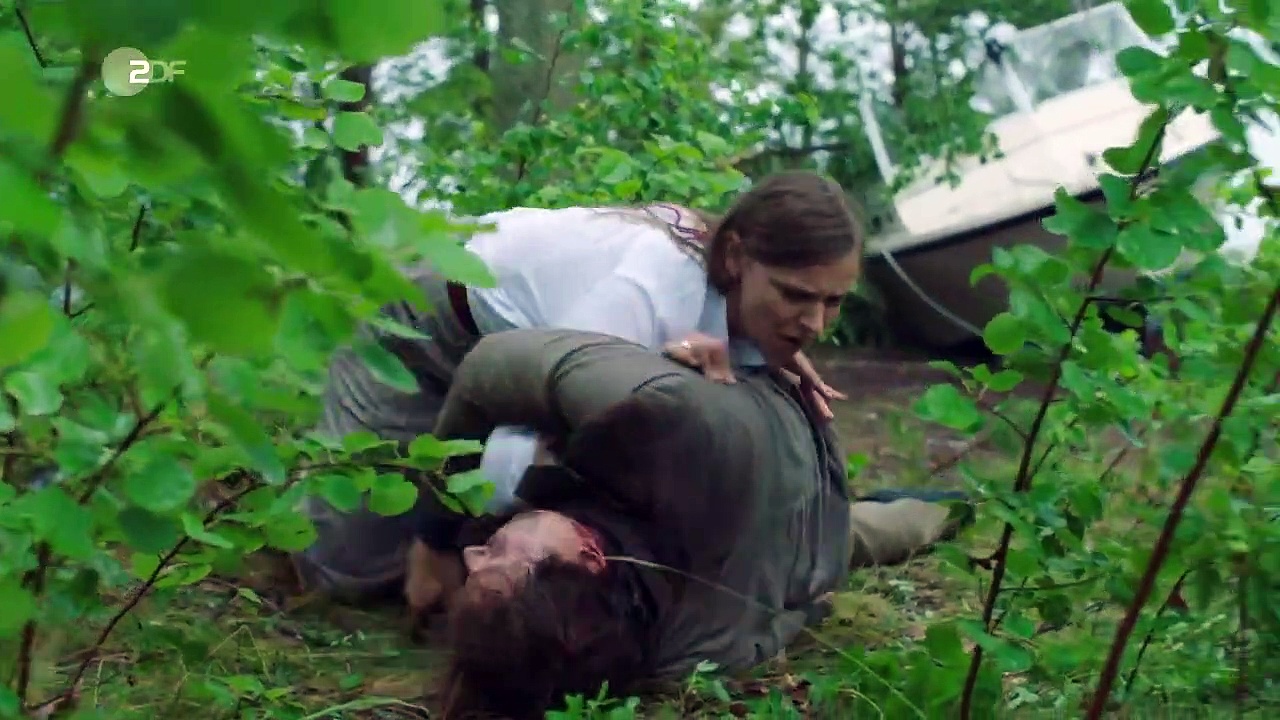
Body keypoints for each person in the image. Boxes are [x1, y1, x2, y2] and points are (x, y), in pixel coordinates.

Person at [294, 171, 865, 601]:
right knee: (344, 573)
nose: (816, 324)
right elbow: (517, 441)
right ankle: (287, 486)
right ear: (737, 257)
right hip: (429, 324)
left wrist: (773, 351)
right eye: (796, 296)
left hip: (515, 352)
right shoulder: (649, 291)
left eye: (833, 302)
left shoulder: (749, 306)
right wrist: (438, 540)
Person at [411, 328, 968, 720]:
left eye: (480, 557)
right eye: (497, 555)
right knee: (868, 533)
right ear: (589, 553)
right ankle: (957, 507)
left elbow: (793, 614)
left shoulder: (669, 649)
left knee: (858, 538)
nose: (472, 554)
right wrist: (734, 357)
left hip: (784, 532)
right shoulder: (668, 421)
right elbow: (488, 365)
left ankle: (943, 510)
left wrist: (434, 533)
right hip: (798, 472)